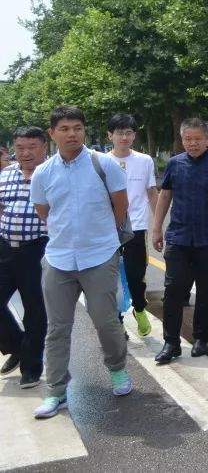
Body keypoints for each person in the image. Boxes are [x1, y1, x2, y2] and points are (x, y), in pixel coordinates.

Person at [29, 106, 133, 419]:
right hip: (59, 259)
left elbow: (120, 208)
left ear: (84, 130)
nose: (72, 134)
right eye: (64, 129)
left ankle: (116, 369)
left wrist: (101, 238)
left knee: (105, 320)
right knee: (57, 328)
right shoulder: (43, 173)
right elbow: (44, 212)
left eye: (77, 127)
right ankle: (57, 390)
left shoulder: (105, 166)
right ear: (52, 134)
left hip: (99, 256)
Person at [152, 118, 208, 364]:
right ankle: (171, 342)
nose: (193, 143)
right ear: (182, 140)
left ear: (207, 138)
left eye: (197, 139)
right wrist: (157, 229)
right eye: (188, 139)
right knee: (173, 289)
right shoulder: (174, 164)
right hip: (178, 238)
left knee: (205, 290)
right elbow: (164, 196)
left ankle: (202, 337)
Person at [0, 126, 49, 389]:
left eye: (32, 147)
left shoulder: (52, 174)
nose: (26, 153)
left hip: (38, 250)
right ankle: (17, 345)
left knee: (35, 311)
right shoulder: (5, 174)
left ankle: (31, 367)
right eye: (20, 148)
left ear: (44, 147)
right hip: (5, 247)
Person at [105, 114, 159, 338]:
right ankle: (117, 321)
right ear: (110, 136)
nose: (124, 137)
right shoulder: (100, 161)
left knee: (136, 274)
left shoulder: (145, 160)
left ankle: (139, 308)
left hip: (136, 227)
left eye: (128, 132)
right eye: (119, 132)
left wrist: (158, 224)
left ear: (134, 135)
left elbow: (151, 192)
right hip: (106, 229)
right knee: (111, 276)